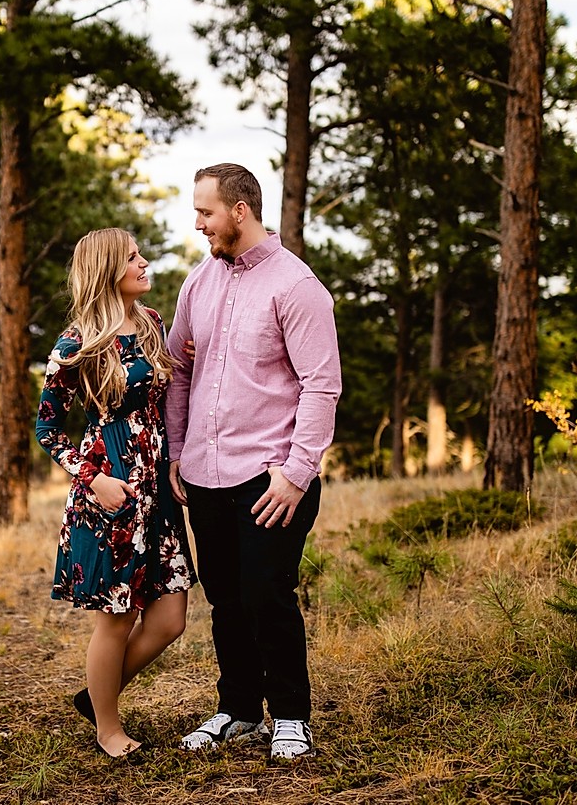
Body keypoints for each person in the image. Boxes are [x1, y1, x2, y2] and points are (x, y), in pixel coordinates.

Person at [165, 163, 341, 762]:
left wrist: (296, 474)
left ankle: (290, 715)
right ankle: (238, 710)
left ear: (240, 210)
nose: (198, 224)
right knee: (225, 598)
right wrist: (177, 452)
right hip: (204, 475)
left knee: (268, 594)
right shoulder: (198, 284)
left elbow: (322, 386)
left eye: (205, 212)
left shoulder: (297, 287)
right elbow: (178, 372)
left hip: (271, 476)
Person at [36, 227, 198, 758]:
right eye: (133, 257)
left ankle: (96, 694)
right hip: (111, 488)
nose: (144, 262)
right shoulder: (75, 343)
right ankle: (108, 727)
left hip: (158, 488)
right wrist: (93, 480)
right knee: (118, 617)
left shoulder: (151, 324)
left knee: (171, 616)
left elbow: (171, 388)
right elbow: (48, 431)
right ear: (109, 269)